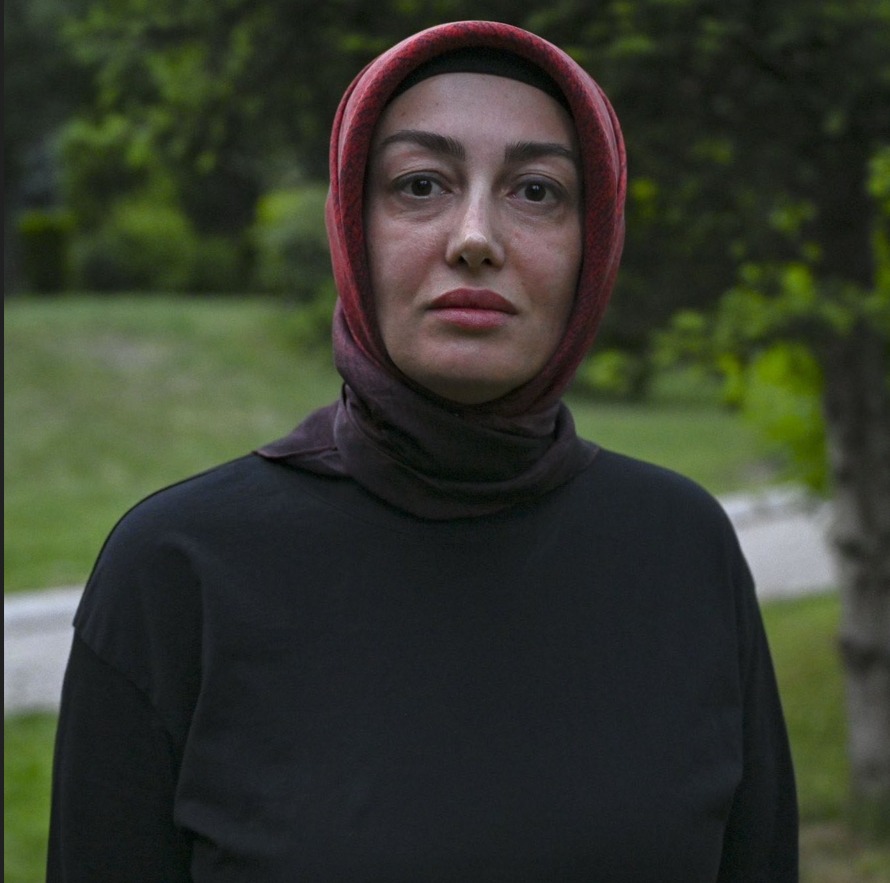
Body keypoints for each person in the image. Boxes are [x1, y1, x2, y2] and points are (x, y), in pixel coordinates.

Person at [47, 20, 798, 881]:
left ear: (594, 244)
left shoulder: (683, 548)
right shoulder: (177, 571)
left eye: (537, 191)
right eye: (420, 184)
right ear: (350, 226)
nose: (475, 237)